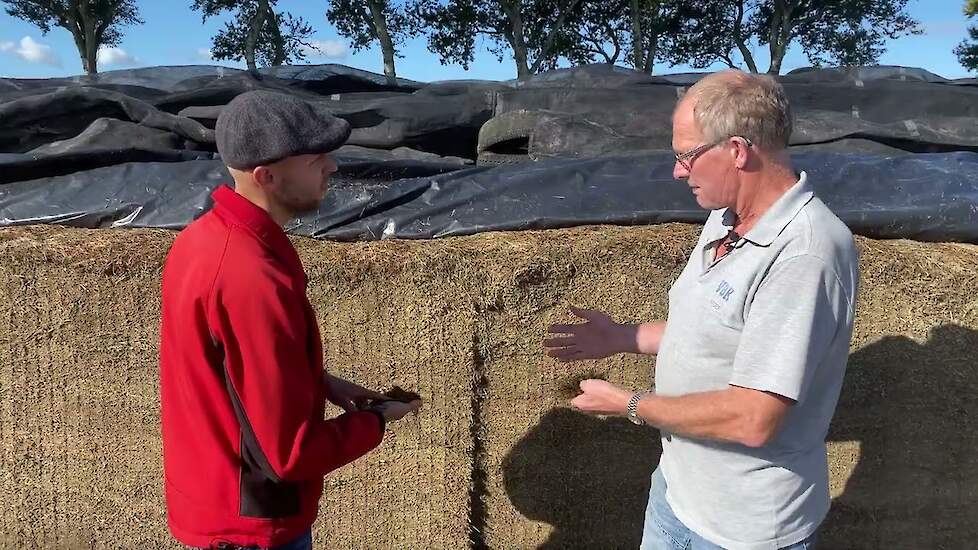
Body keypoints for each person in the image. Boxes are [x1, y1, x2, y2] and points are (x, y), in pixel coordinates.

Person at [544, 70, 858, 550]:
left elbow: (754, 419)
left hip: (743, 528)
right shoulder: (725, 219)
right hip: (678, 493)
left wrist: (628, 404)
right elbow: (714, 330)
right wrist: (624, 337)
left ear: (736, 150)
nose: (677, 172)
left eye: (685, 156)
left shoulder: (804, 253)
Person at [160, 90, 421, 550]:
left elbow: (231, 369)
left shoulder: (205, 238)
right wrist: (378, 420)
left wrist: (322, 383)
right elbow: (288, 455)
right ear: (268, 176)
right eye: (317, 157)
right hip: (254, 525)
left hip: (216, 497)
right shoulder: (252, 277)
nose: (333, 167)